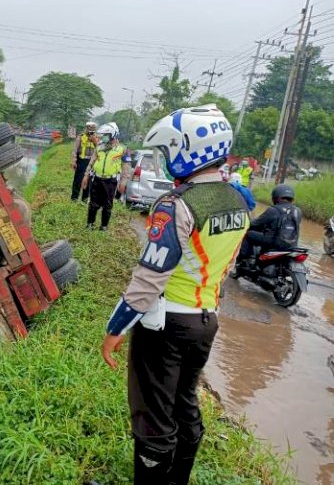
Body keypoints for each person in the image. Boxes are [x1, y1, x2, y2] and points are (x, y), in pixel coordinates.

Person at [101, 103, 250, 484]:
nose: (166, 160)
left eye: (168, 151)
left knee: (153, 416)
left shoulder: (176, 205)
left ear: (188, 151)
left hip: (165, 324)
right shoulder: (239, 203)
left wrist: (115, 328)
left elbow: (150, 276)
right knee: (185, 402)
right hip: (206, 321)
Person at [237, 184, 301, 264]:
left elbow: (255, 223)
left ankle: (244, 259)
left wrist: (245, 222)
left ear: (275, 197)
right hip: (292, 245)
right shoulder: (297, 211)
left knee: (248, 235)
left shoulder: (273, 210)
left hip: (273, 242)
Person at [86, 122, 130, 231]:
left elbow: (126, 168)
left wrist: (123, 182)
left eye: (105, 135)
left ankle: (104, 226)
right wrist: (86, 175)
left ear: (113, 135)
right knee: (93, 202)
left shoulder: (123, 150)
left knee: (107, 204)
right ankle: (90, 224)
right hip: (96, 179)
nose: (103, 137)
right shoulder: (99, 147)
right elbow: (91, 162)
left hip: (110, 181)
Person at [71, 122, 98, 202]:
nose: (91, 131)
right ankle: (74, 198)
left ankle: (85, 199)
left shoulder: (96, 138)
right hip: (81, 161)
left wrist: (94, 141)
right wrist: (74, 161)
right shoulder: (81, 137)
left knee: (89, 182)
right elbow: (75, 150)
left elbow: (99, 149)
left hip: (91, 162)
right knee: (78, 180)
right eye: (89, 129)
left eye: (93, 130)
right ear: (86, 129)